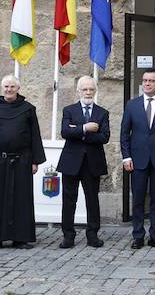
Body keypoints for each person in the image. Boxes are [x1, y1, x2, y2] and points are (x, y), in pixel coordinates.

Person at [0, 74, 46, 249]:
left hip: (22, 160)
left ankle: (20, 238)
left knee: (21, 200)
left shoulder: (28, 109)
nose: (9, 90)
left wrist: (35, 161)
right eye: (6, 87)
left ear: (18, 89)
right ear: (2, 89)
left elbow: (34, 136)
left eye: (12, 87)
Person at [120, 68, 155, 249]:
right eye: (145, 80)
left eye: (151, 81)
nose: (147, 83)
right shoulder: (132, 105)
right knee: (137, 199)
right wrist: (126, 156)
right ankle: (138, 236)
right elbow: (124, 134)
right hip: (138, 160)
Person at [58, 75, 110, 249]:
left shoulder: (102, 113)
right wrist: (85, 128)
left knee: (92, 200)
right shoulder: (69, 110)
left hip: (92, 162)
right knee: (68, 200)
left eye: (91, 89)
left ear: (95, 91)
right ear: (78, 91)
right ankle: (68, 236)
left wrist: (77, 132)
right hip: (71, 162)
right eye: (85, 89)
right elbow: (65, 132)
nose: (88, 92)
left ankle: (93, 235)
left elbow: (104, 137)